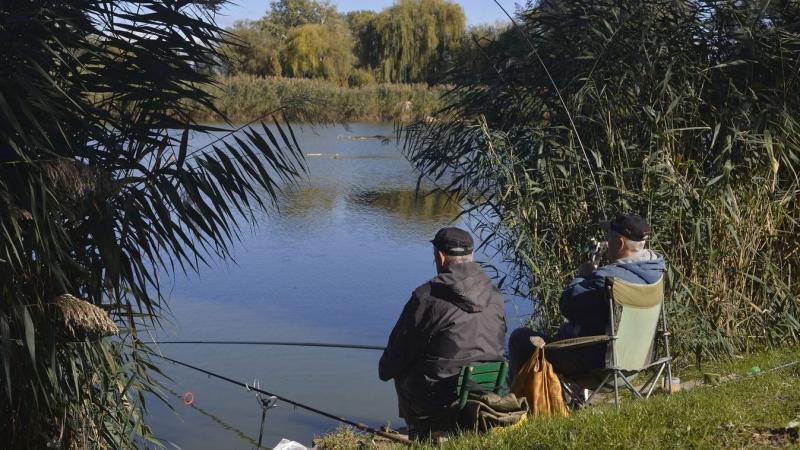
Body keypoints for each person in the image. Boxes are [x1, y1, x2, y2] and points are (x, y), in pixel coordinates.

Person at [379, 227, 507, 439]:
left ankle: (421, 430)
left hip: (439, 400)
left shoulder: (426, 297)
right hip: (486, 392)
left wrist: (385, 368)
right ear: (471, 255)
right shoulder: (495, 295)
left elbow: (395, 356)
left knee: (400, 368)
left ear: (440, 256)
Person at [508, 213, 666, 379]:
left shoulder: (608, 280)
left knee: (520, 338)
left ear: (619, 243)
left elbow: (567, 305)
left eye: (608, 237)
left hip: (599, 365)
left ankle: (520, 402)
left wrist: (583, 277)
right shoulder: (657, 273)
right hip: (637, 364)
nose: (606, 242)